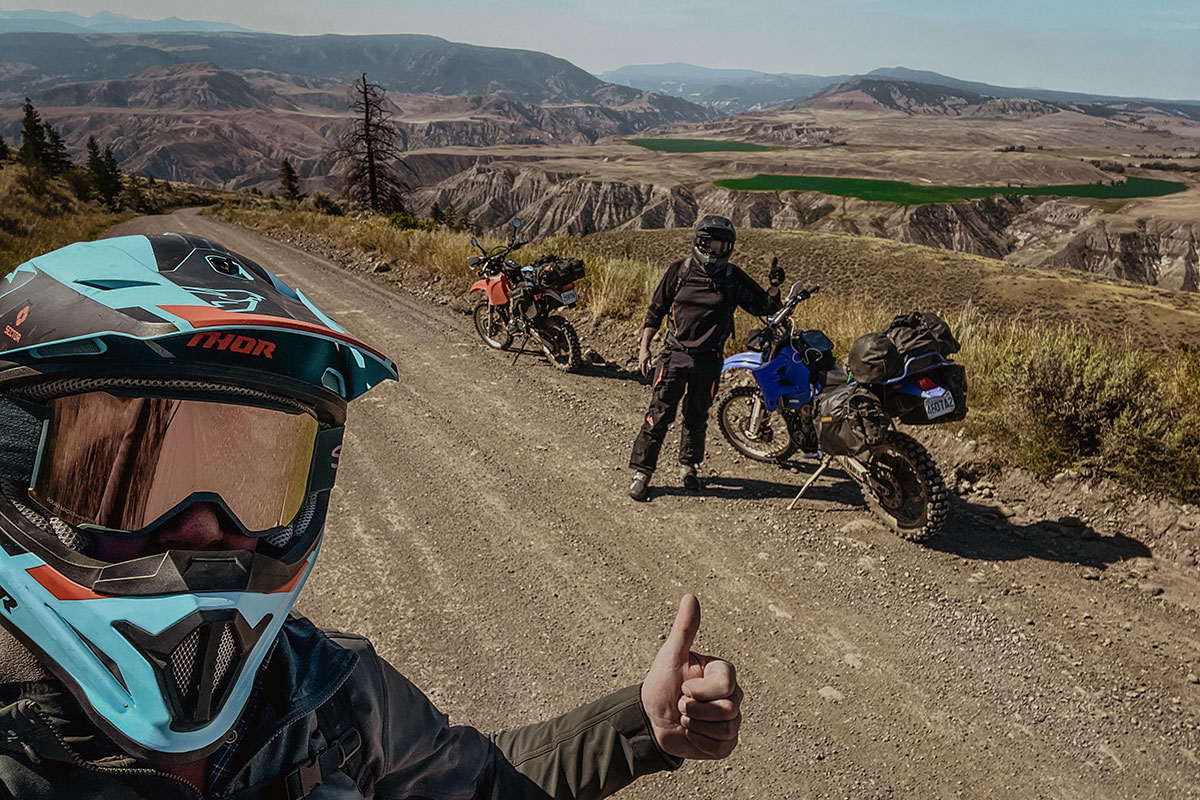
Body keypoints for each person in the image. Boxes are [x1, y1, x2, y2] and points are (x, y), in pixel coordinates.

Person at [0, 233, 743, 798]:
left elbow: (479, 783)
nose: (203, 528)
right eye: (124, 477)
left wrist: (639, 727)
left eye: (249, 473)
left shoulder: (328, 692)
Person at [628, 216, 784, 501]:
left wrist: (773, 287)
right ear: (698, 242)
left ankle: (689, 467)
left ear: (729, 247)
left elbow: (762, 305)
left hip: (709, 360)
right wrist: (644, 346)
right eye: (709, 243)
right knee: (659, 414)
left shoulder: (732, 277)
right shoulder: (680, 271)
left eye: (721, 245)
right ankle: (642, 472)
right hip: (675, 355)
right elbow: (656, 309)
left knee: (697, 416)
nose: (714, 250)